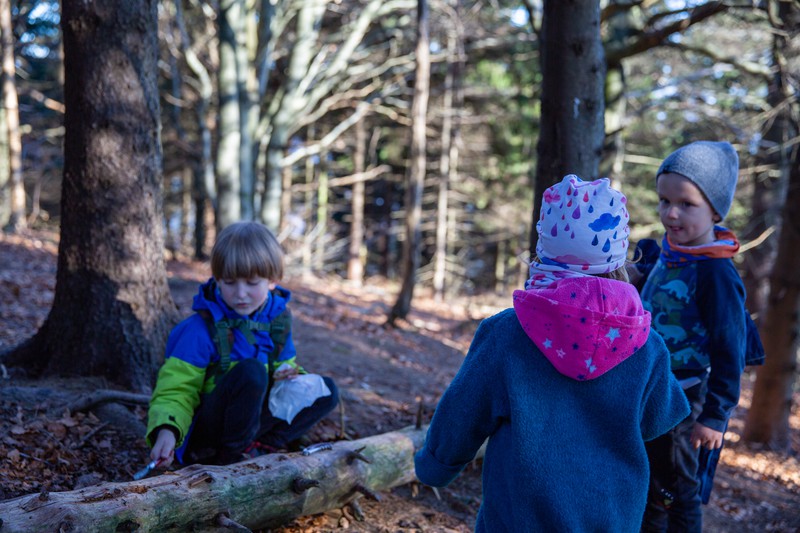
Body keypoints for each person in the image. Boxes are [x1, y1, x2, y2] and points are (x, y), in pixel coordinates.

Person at [414, 175, 690, 532]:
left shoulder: (507, 334)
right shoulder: (646, 345)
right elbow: (659, 419)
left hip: (518, 519)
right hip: (612, 519)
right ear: (620, 255)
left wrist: (437, 465)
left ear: (545, 246)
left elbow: (462, 412)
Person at [145, 221, 338, 467]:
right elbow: (176, 389)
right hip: (211, 424)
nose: (241, 293)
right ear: (217, 279)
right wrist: (167, 430)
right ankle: (229, 461)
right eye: (230, 282)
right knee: (251, 372)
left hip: (251, 419)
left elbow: (283, 361)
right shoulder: (198, 329)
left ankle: (263, 446)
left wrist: (288, 373)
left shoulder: (277, 320)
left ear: (272, 280)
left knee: (326, 390)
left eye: (252, 282)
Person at [637, 141, 747, 532]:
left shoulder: (715, 273)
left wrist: (716, 416)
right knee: (648, 482)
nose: (671, 213)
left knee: (678, 490)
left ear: (716, 210)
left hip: (687, 402)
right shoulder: (670, 254)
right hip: (650, 390)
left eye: (686, 204)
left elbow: (731, 348)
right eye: (663, 200)